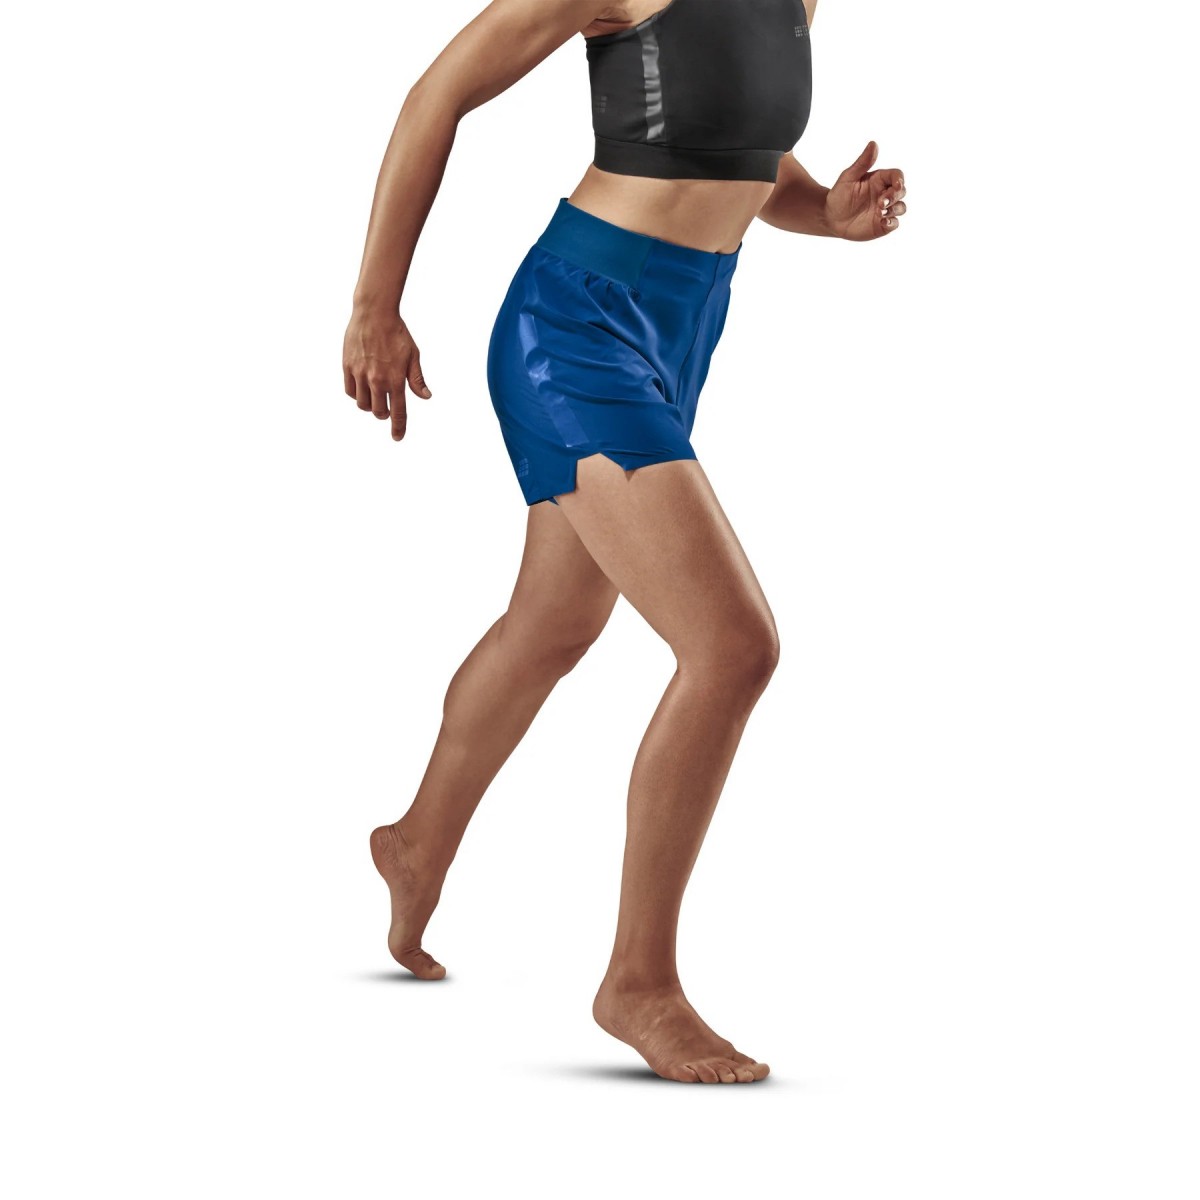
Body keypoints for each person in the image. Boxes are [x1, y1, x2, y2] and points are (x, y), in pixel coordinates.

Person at [342, 0, 906, 1085]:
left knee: (553, 623)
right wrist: (376, 303)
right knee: (732, 647)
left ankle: (413, 844)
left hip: (680, 328)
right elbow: (435, 97)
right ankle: (638, 983)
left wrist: (825, 214)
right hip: (574, 328)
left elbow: (740, 152)